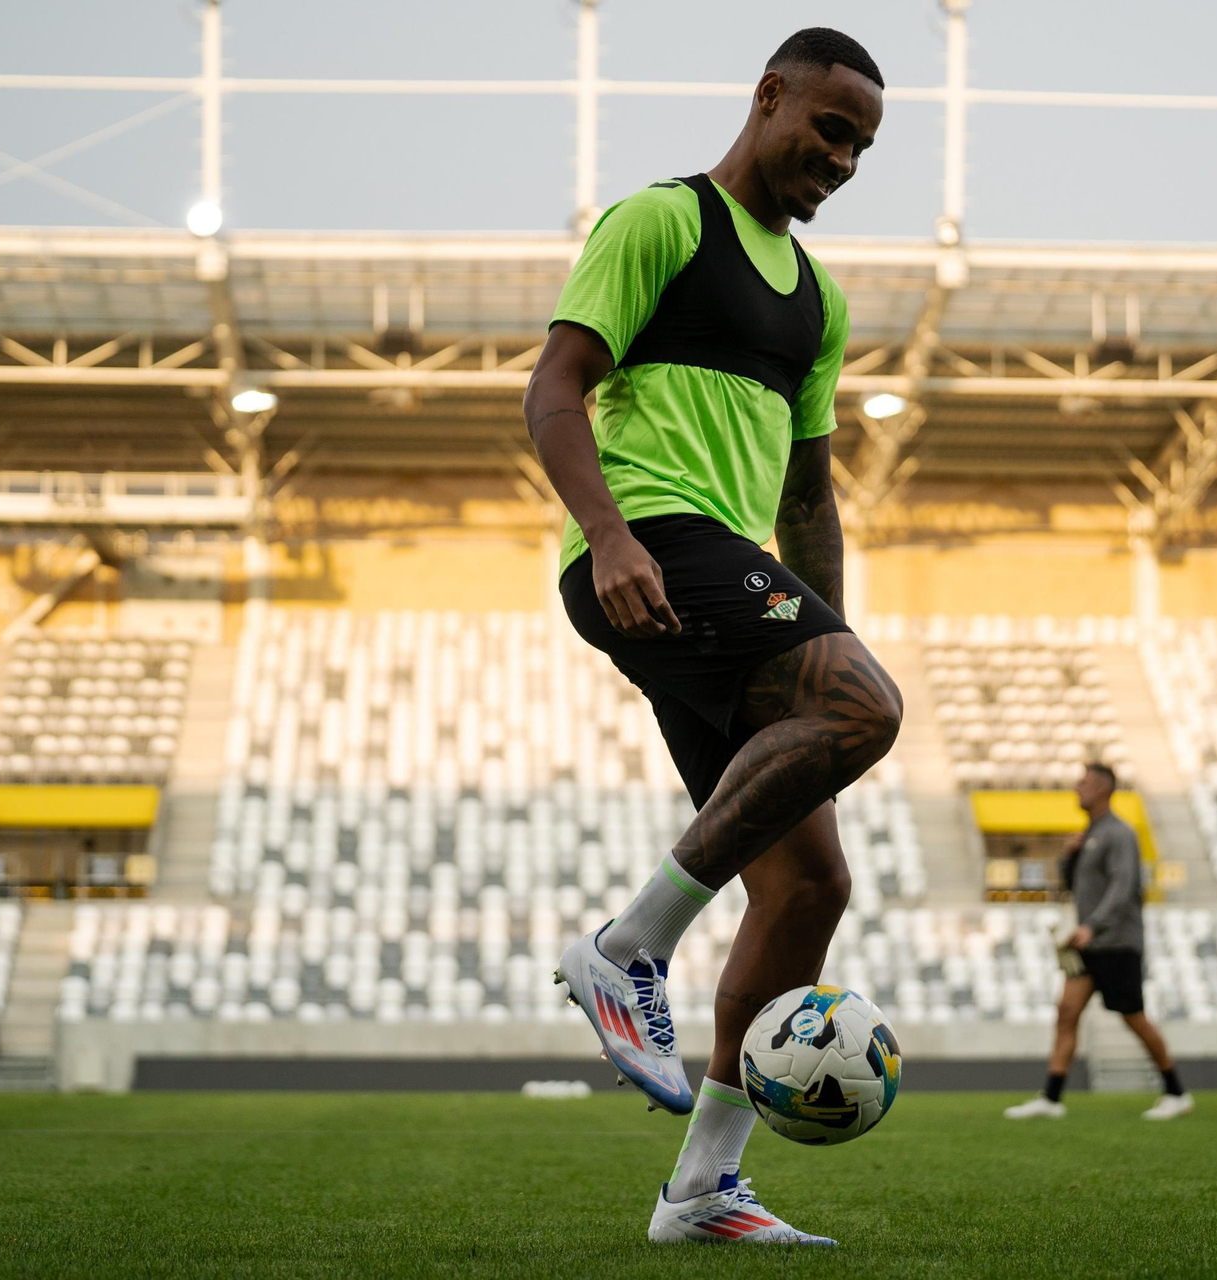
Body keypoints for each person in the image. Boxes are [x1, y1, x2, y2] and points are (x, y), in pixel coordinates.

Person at [523, 27, 897, 1246]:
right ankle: (627, 946)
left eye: (861, 146)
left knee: (808, 887)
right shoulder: (659, 224)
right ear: (769, 96)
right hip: (647, 548)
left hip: (725, 576)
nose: (840, 159)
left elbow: (808, 498)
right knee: (866, 708)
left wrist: (833, 627)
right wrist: (608, 531)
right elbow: (553, 389)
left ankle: (700, 1192)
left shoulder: (819, 299)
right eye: (827, 128)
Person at [1004, 763, 1194, 1121]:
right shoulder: (1088, 835)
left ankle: (1176, 1092)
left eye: (1085, 782)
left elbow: (1124, 888)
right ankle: (1052, 1097)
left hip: (1117, 942)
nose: (1077, 787)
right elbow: (1073, 887)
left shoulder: (1120, 833)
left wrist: (1093, 925)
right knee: (1066, 1013)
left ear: (1103, 789)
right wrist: (1068, 857)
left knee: (1133, 1016)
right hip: (1090, 944)